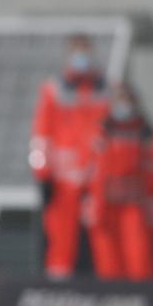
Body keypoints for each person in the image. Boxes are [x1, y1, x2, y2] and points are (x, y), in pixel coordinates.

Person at [29, 34, 109, 280]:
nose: (81, 58)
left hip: (97, 177)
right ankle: (57, 292)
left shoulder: (105, 89)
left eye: (85, 51)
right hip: (63, 177)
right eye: (77, 52)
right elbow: (41, 134)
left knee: (105, 237)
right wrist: (42, 174)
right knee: (61, 238)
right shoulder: (53, 90)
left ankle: (115, 291)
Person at [86, 84, 153, 281]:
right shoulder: (100, 132)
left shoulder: (148, 133)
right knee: (107, 260)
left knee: (139, 256)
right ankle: (111, 301)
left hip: (136, 203)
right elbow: (86, 167)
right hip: (105, 203)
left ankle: (142, 299)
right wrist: (89, 198)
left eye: (127, 101)